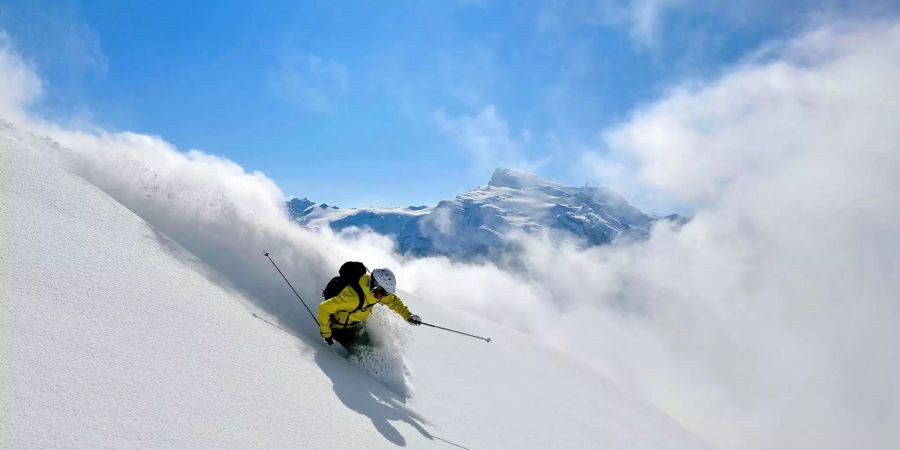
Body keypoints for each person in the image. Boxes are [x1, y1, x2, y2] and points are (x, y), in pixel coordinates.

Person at [318, 267, 421, 351]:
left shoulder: (376, 293)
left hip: (357, 325)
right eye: (382, 293)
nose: (382, 297)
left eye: (386, 294)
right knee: (361, 352)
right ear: (374, 286)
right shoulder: (353, 298)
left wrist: (408, 316)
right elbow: (324, 308)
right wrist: (326, 334)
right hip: (339, 329)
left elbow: (393, 301)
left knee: (375, 347)